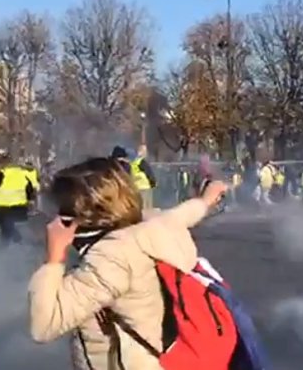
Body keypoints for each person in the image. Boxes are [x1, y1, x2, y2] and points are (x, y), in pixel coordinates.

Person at [28, 157, 228, 370]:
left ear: (82, 212)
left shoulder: (111, 258)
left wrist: (54, 257)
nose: (53, 217)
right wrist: (205, 200)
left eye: (60, 208)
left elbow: (44, 325)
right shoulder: (147, 228)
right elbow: (180, 215)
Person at [0, 154, 34, 244]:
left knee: (1, 222)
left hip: (1, 207)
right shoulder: (23, 174)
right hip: (20, 207)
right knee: (8, 223)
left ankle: (4, 237)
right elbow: (30, 190)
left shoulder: (1, 174)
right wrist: (30, 201)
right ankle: (14, 239)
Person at [131, 144, 157, 210]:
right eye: (144, 151)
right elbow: (149, 173)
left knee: (140, 206)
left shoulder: (134, 162)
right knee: (147, 207)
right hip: (145, 186)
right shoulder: (143, 162)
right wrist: (153, 183)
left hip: (137, 187)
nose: (146, 153)